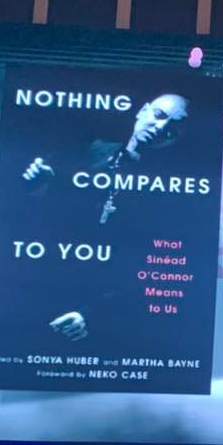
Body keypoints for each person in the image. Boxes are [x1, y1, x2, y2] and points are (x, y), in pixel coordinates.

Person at [19, 93, 190, 341]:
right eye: (159, 115)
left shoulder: (171, 194)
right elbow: (44, 221)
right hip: (37, 287)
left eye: (173, 129)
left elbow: (147, 273)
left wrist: (90, 313)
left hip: (96, 314)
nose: (161, 127)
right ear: (142, 111)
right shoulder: (91, 150)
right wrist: (38, 188)